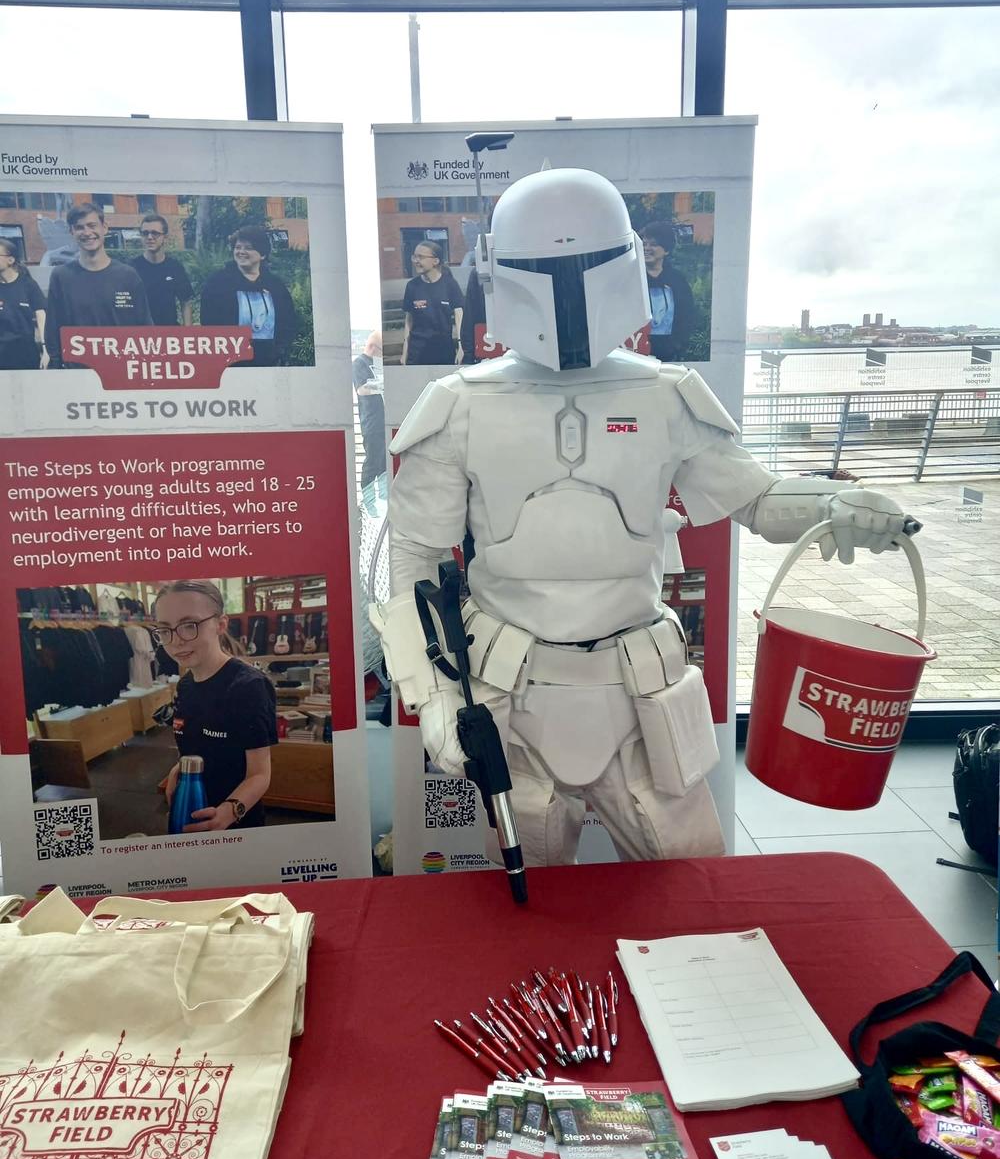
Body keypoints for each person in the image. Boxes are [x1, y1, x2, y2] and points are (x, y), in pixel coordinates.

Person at [374, 167, 918, 867]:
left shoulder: (664, 394)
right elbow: (412, 559)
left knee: (693, 899)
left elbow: (756, 497)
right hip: (511, 693)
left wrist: (836, 506)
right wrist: (435, 695)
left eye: (580, 265)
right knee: (530, 922)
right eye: (548, 267)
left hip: (641, 693)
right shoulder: (461, 404)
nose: (565, 288)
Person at [153, 579, 275, 831]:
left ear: (220, 624)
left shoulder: (249, 687)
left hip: (236, 825)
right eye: (165, 629)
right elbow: (196, 744)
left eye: (189, 626)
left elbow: (259, 774)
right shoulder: (186, 684)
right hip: (188, 808)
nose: (176, 641)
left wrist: (229, 812)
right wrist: (179, 768)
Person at [44, 202, 152, 368]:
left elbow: (145, 326)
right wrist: (57, 367)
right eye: (79, 227)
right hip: (78, 374)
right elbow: (53, 328)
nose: (87, 232)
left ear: (105, 228)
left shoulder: (128, 275)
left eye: (92, 225)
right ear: (72, 232)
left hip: (122, 370)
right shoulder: (61, 276)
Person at [200, 225, 296, 367]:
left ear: (262, 254)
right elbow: (208, 321)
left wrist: (279, 350)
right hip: (231, 362)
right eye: (238, 247)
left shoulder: (275, 285)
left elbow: (288, 320)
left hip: (269, 361)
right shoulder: (218, 283)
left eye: (248, 248)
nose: (241, 252)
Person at [640, 221, 697, 362]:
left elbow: (687, 315)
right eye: (644, 244)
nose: (647, 248)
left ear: (666, 250)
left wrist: (677, 345)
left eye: (653, 244)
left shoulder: (677, 281)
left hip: (669, 356)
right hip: (637, 354)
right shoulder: (632, 278)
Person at [401, 240, 464, 366]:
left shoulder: (450, 284)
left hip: (443, 350)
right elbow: (409, 320)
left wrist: (461, 347)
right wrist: (405, 351)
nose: (416, 261)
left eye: (421, 257)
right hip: (417, 351)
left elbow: (459, 316)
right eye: (415, 256)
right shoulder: (412, 286)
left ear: (435, 261)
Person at [130, 211, 195, 326]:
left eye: (155, 233)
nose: (149, 237)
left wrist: (187, 334)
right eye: (145, 233)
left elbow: (185, 302)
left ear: (165, 237)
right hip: (141, 336)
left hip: (170, 335)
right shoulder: (131, 268)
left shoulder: (175, 267)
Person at [353, 329, 387, 509]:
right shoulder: (359, 363)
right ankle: (368, 501)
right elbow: (361, 389)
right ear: (374, 347)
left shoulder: (379, 363)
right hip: (371, 420)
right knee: (372, 460)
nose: (383, 355)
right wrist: (382, 386)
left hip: (383, 419)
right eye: (382, 351)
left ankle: (382, 497)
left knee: (383, 461)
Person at [0, 239, 47, 369]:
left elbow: (41, 315)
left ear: (11, 260)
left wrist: (45, 349)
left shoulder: (28, 285)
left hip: (26, 356)